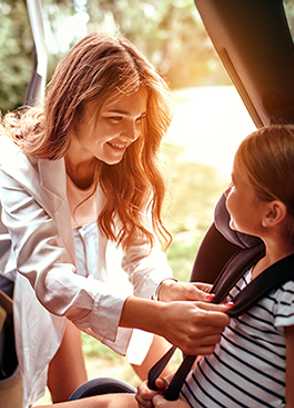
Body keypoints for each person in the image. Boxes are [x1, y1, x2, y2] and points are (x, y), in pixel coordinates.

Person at [0, 32, 231, 408]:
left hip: (66, 270)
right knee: (61, 375)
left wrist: (164, 289)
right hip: (17, 283)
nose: (132, 134)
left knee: (166, 376)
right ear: (73, 107)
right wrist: (157, 316)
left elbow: (140, 252)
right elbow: (49, 277)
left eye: (138, 118)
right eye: (116, 118)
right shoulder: (13, 165)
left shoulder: (123, 163)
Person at [131, 125, 294, 407]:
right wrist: (173, 385)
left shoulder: (290, 295)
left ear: (271, 213)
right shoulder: (248, 264)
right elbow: (226, 354)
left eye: (235, 185)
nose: (226, 193)